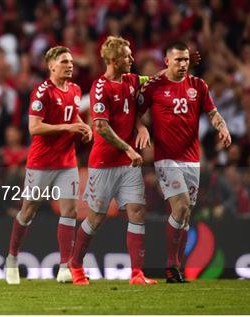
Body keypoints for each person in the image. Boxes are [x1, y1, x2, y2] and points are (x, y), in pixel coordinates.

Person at [137, 42, 231, 283]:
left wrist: (222, 127)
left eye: (186, 60)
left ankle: (176, 268)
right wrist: (141, 128)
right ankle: (170, 266)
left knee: (186, 214)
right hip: (166, 158)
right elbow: (134, 113)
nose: (182, 64)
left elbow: (212, 113)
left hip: (192, 159)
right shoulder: (154, 86)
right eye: (178, 60)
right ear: (166, 61)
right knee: (180, 206)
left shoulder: (198, 86)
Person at [68, 36, 157, 285]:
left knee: (137, 211)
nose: (131, 59)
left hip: (129, 163)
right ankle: (75, 266)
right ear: (115, 60)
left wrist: (141, 127)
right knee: (96, 217)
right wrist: (128, 148)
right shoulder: (100, 87)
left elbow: (154, 81)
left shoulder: (131, 80)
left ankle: (137, 274)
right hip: (105, 162)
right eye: (127, 56)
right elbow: (101, 127)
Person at [4, 46, 92, 284]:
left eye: (71, 61)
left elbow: (72, 115)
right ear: (51, 66)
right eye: (64, 62)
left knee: (70, 211)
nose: (70, 65)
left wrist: (83, 126)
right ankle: (12, 258)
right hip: (41, 163)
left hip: (67, 161)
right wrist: (68, 127)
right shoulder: (42, 92)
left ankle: (65, 267)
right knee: (28, 210)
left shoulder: (75, 89)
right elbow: (34, 128)